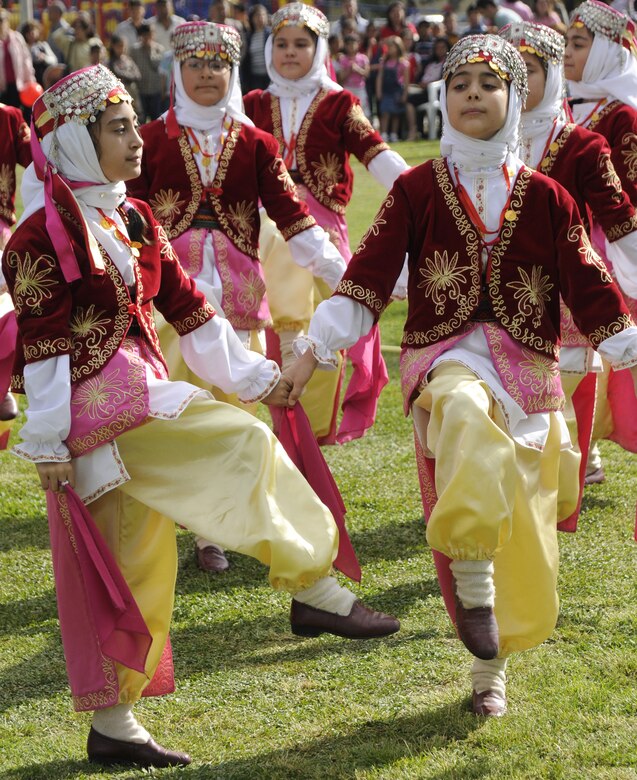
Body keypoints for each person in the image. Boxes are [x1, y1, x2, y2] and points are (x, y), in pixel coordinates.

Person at [2, 64, 400, 769]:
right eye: (117, 129)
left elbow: (189, 310)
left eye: (133, 126)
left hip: (130, 397)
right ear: (73, 140)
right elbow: (45, 348)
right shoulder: (39, 236)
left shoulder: (130, 215)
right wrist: (45, 439)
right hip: (101, 410)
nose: (134, 141)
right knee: (239, 441)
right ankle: (315, 587)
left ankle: (114, 727)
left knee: (137, 566)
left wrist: (257, 376)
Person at [284, 34, 637, 717]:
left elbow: (591, 290)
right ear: (442, 100)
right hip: (442, 361)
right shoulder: (418, 187)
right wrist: (310, 353)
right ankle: (471, 585)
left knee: (524, 529)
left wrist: (625, 345)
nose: (472, 95)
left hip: (530, 374)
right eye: (458, 85)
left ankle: (488, 676)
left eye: (489, 84)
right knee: (466, 416)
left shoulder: (547, 197)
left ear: (515, 99)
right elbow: (364, 280)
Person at [129, 21, 348, 572]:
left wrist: (345, 276)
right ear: (178, 72)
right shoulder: (151, 140)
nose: (207, 73)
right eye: (196, 64)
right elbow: (129, 216)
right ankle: (202, 529)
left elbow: (292, 215)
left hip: (239, 293)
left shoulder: (255, 142)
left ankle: (228, 520)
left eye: (217, 64)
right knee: (180, 403)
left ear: (232, 72)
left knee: (235, 407)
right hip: (173, 297)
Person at [243, 3, 409, 445]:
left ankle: (316, 422)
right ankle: (278, 410)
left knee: (327, 317)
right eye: (281, 44)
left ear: (319, 51)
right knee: (277, 316)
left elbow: (374, 152)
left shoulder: (339, 103)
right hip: (265, 223)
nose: (290, 52)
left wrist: (419, 189)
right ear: (268, 49)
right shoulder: (253, 104)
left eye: (301, 44)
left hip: (322, 225)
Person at [499, 20, 637, 524]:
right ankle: (518, 497)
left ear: (552, 74)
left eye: (528, 71)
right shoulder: (485, 144)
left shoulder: (582, 144)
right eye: (506, 74)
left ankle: (555, 504)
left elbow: (622, 221)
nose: (517, 83)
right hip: (502, 299)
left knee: (566, 402)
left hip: (570, 296)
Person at [565, 0, 637, 483]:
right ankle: (574, 452)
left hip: (605, 244)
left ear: (610, 50)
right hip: (560, 239)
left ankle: (584, 455)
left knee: (588, 345)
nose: (567, 53)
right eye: (567, 43)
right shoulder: (564, 102)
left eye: (579, 43)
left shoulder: (623, 115)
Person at [0, 9, 37, 109]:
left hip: (18, 85)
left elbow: (26, 60)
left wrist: (30, 80)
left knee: (18, 114)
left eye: (2, 20)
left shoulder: (17, 38)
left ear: (7, 22)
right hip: (2, 88)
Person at [131, 22, 165, 122]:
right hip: (141, 90)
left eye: (149, 34)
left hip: (156, 90)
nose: (147, 37)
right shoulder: (134, 50)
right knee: (141, 119)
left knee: (156, 119)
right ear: (141, 35)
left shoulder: (159, 49)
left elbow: (159, 68)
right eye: (144, 34)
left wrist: (150, 50)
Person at [377, 35, 409, 142]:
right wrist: (378, 91)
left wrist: (404, 94)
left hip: (397, 91)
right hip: (386, 90)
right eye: (389, 47)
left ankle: (394, 134)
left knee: (396, 113)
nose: (390, 49)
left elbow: (406, 81)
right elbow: (380, 77)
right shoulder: (384, 62)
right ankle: (384, 133)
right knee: (385, 112)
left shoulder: (403, 63)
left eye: (392, 47)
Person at [107, 33, 142, 117]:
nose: (121, 49)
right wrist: (128, 75)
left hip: (132, 92)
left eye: (123, 46)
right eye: (119, 46)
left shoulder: (128, 60)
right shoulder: (111, 63)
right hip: (120, 94)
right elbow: (116, 74)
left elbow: (138, 75)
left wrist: (125, 76)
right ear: (113, 46)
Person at [338, 32, 371, 118]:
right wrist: (349, 70)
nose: (351, 46)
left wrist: (357, 69)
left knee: (362, 111)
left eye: (353, 43)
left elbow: (367, 74)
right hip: (348, 88)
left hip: (360, 89)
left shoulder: (363, 58)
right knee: (348, 111)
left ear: (358, 44)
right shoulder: (343, 59)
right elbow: (341, 77)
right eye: (348, 44)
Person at [240, 4, 271, 93]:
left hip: (269, 77)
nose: (260, 18)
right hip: (254, 78)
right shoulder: (248, 36)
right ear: (252, 18)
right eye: (257, 15)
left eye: (262, 15)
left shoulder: (271, 34)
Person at [20, 20, 58, 86]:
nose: (31, 34)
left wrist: (44, 57)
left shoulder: (43, 45)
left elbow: (54, 61)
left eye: (33, 31)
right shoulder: (23, 48)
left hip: (43, 81)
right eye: (28, 32)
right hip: (29, 82)